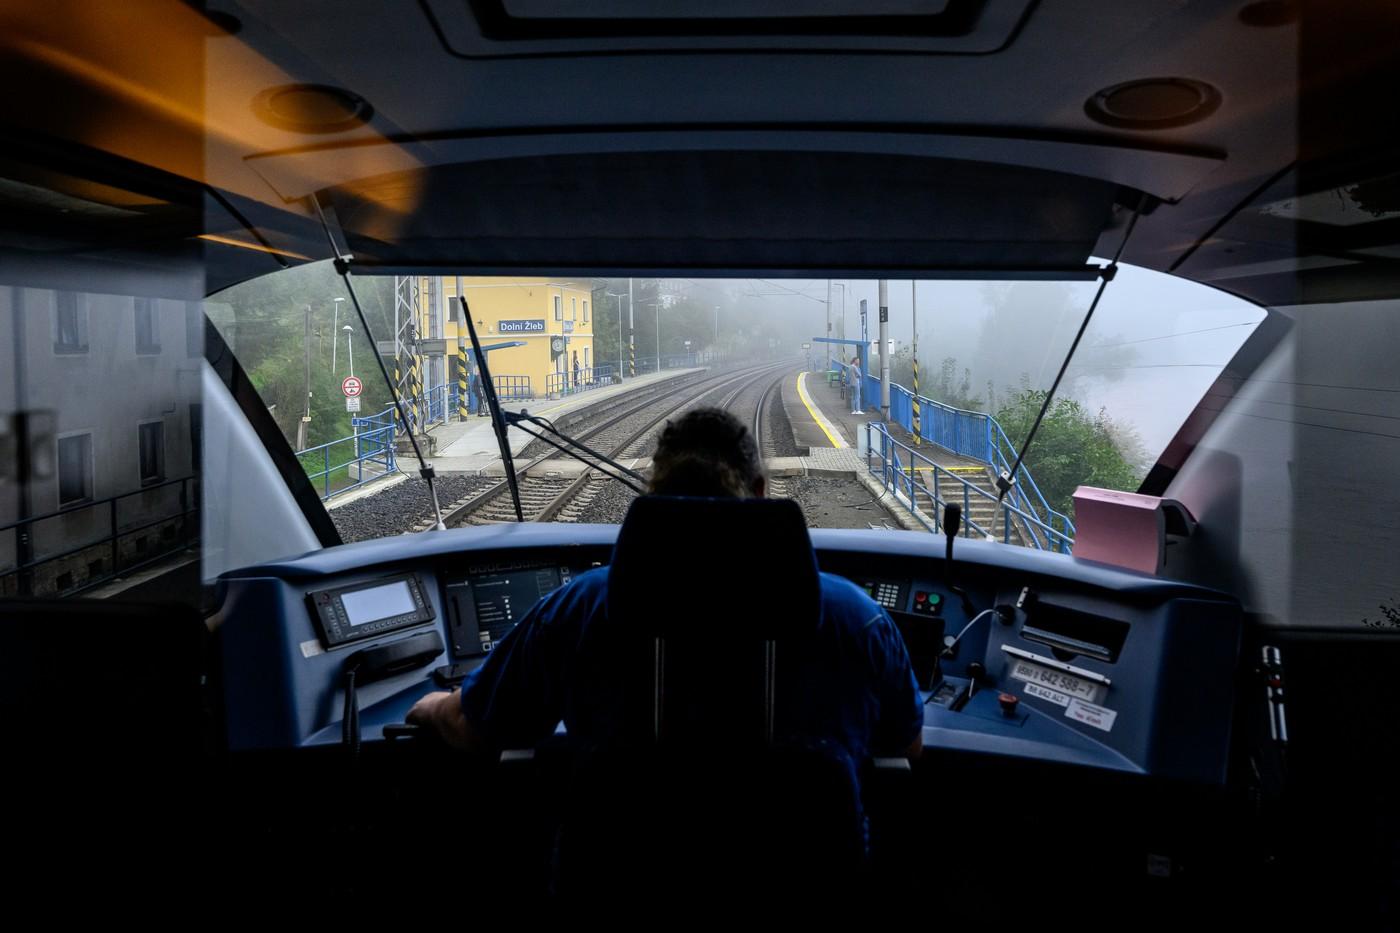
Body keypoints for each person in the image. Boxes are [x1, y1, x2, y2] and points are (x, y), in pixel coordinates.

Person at [408, 408, 923, 767]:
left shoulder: (583, 607)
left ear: (653, 492)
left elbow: (476, 730)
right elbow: (906, 745)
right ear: (761, 493)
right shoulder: (854, 616)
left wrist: (433, 707)